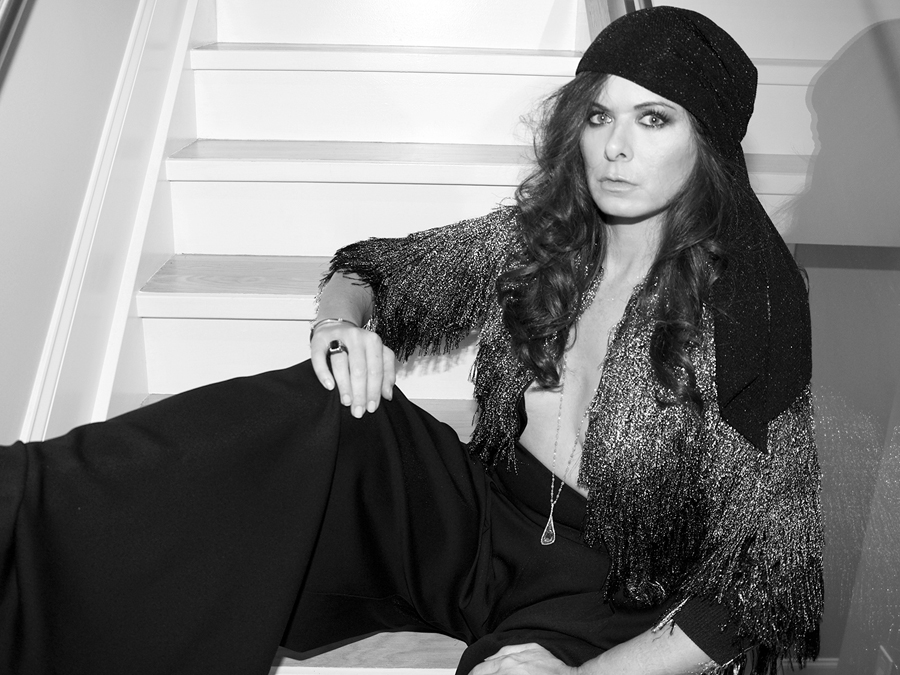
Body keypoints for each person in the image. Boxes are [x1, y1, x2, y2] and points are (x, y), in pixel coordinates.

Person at [0, 7, 823, 675]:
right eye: (601, 114)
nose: (615, 147)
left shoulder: (751, 316)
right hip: (478, 516)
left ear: (707, 143)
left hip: (610, 593)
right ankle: (24, 502)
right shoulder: (543, 242)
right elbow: (371, 271)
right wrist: (340, 327)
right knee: (322, 405)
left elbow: (763, 583)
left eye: (653, 118)